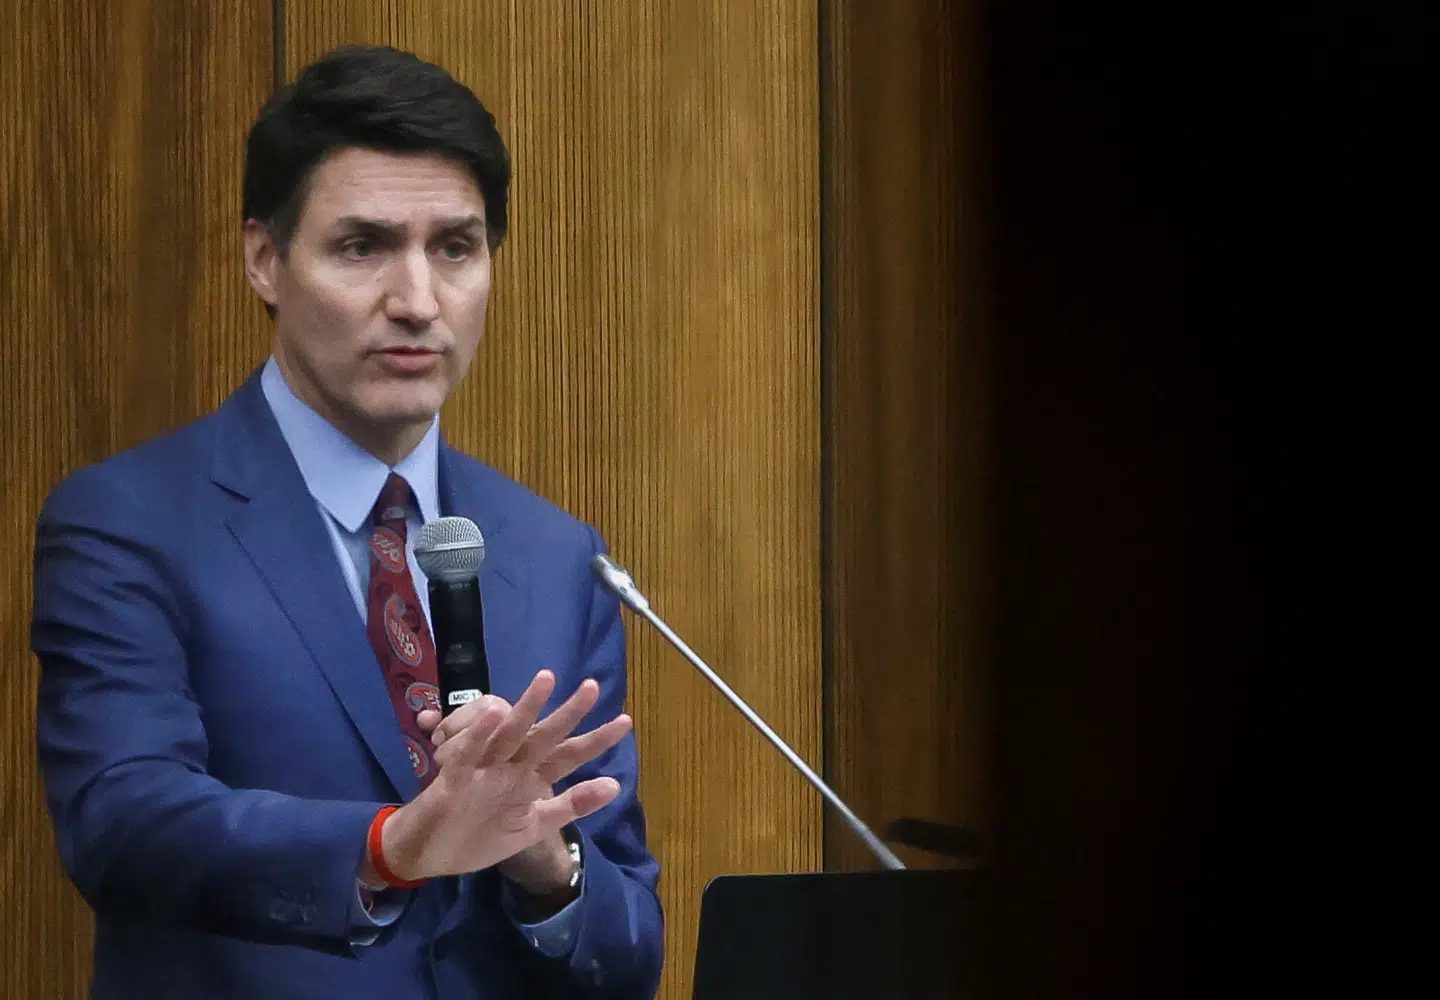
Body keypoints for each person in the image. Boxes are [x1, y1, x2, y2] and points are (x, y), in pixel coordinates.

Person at [30, 44, 664, 1000]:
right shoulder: (130, 520)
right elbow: (124, 824)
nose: (416, 301)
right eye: (362, 246)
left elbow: (629, 945)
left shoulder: (556, 552)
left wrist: (544, 861)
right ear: (265, 260)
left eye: (456, 247)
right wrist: (393, 846)